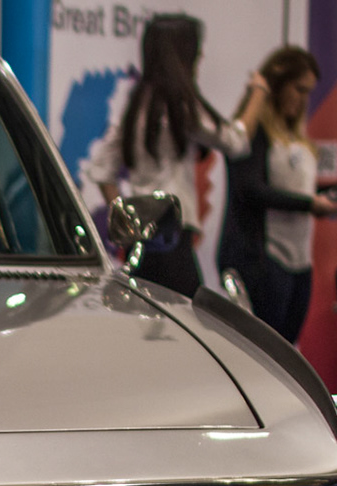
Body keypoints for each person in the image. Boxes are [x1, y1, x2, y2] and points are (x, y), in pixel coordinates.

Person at [87, 13, 267, 296]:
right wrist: (259, 91)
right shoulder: (181, 105)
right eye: (196, 50)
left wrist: (129, 223)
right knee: (184, 315)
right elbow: (235, 142)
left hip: (141, 246)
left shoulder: (137, 104)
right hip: (171, 241)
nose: (201, 57)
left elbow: (101, 169)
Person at [217, 46, 337, 343]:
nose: (303, 100)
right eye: (298, 89)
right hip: (263, 258)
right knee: (263, 350)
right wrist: (310, 204)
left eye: (308, 92)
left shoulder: (294, 134)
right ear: (278, 84)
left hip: (299, 259)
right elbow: (250, 189)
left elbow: (295, 190)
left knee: (287, 349)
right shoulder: (254, 130)